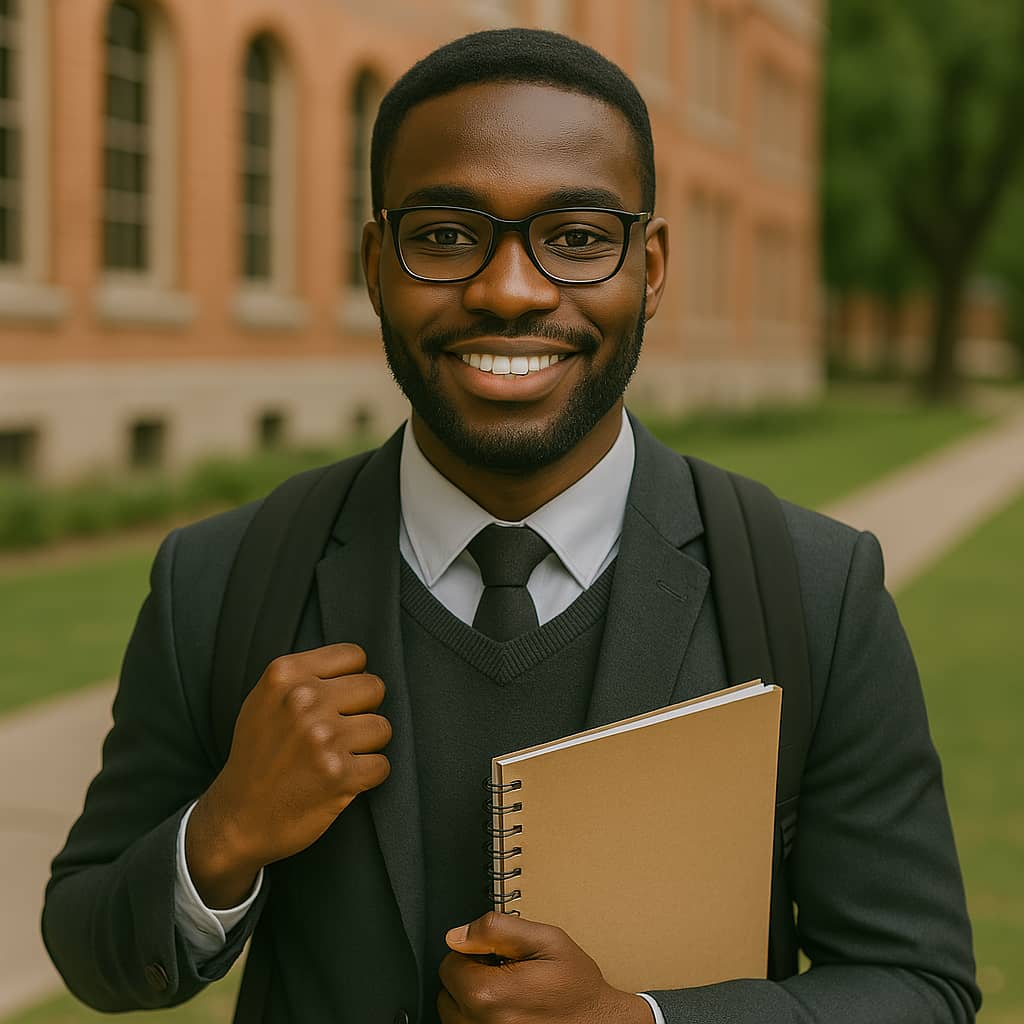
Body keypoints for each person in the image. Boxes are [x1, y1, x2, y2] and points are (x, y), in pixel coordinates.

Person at [42, 28, 980, 1024]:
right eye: (446, 235)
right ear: (375, 262)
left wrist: (640, 1022)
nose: (508, 290)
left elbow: (916, 987)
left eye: (576, 238)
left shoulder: (814, 591)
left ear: (649, 267)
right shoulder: (219, 579)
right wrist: (221, 832)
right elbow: (92, 947)